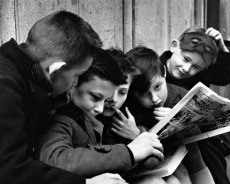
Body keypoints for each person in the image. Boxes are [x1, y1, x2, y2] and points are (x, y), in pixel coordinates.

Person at [0, 10, 127, 184]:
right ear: (55, 70)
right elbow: (10, 171)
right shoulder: (5, 87)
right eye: (77, 75)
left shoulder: (23, 78)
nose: (75, 83)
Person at [37, 49, 164, 182]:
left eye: (122, 92)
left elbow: (152, 158)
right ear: (73, 84)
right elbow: (53, 160)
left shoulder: (117, 118)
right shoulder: (62, 118)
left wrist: (137, 137)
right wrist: (128, 152)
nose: (102, 107)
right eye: (96, 97)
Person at [124, 46, 216, 183]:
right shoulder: (128, 109)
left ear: (164, 74)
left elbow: (210, 125)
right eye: (143, 94)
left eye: (158, 87)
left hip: (184, 161)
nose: (155, 98)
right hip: (146, 168)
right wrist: (138, 134)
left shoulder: (182, 97)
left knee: (190, 156)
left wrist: (184, 119)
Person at [160, 27, 230, 90]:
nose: (186, 69)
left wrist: (222, 48)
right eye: (186, 59)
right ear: (174, 46)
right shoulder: (151, 68)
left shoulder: (200, 75)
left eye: (196, 67)